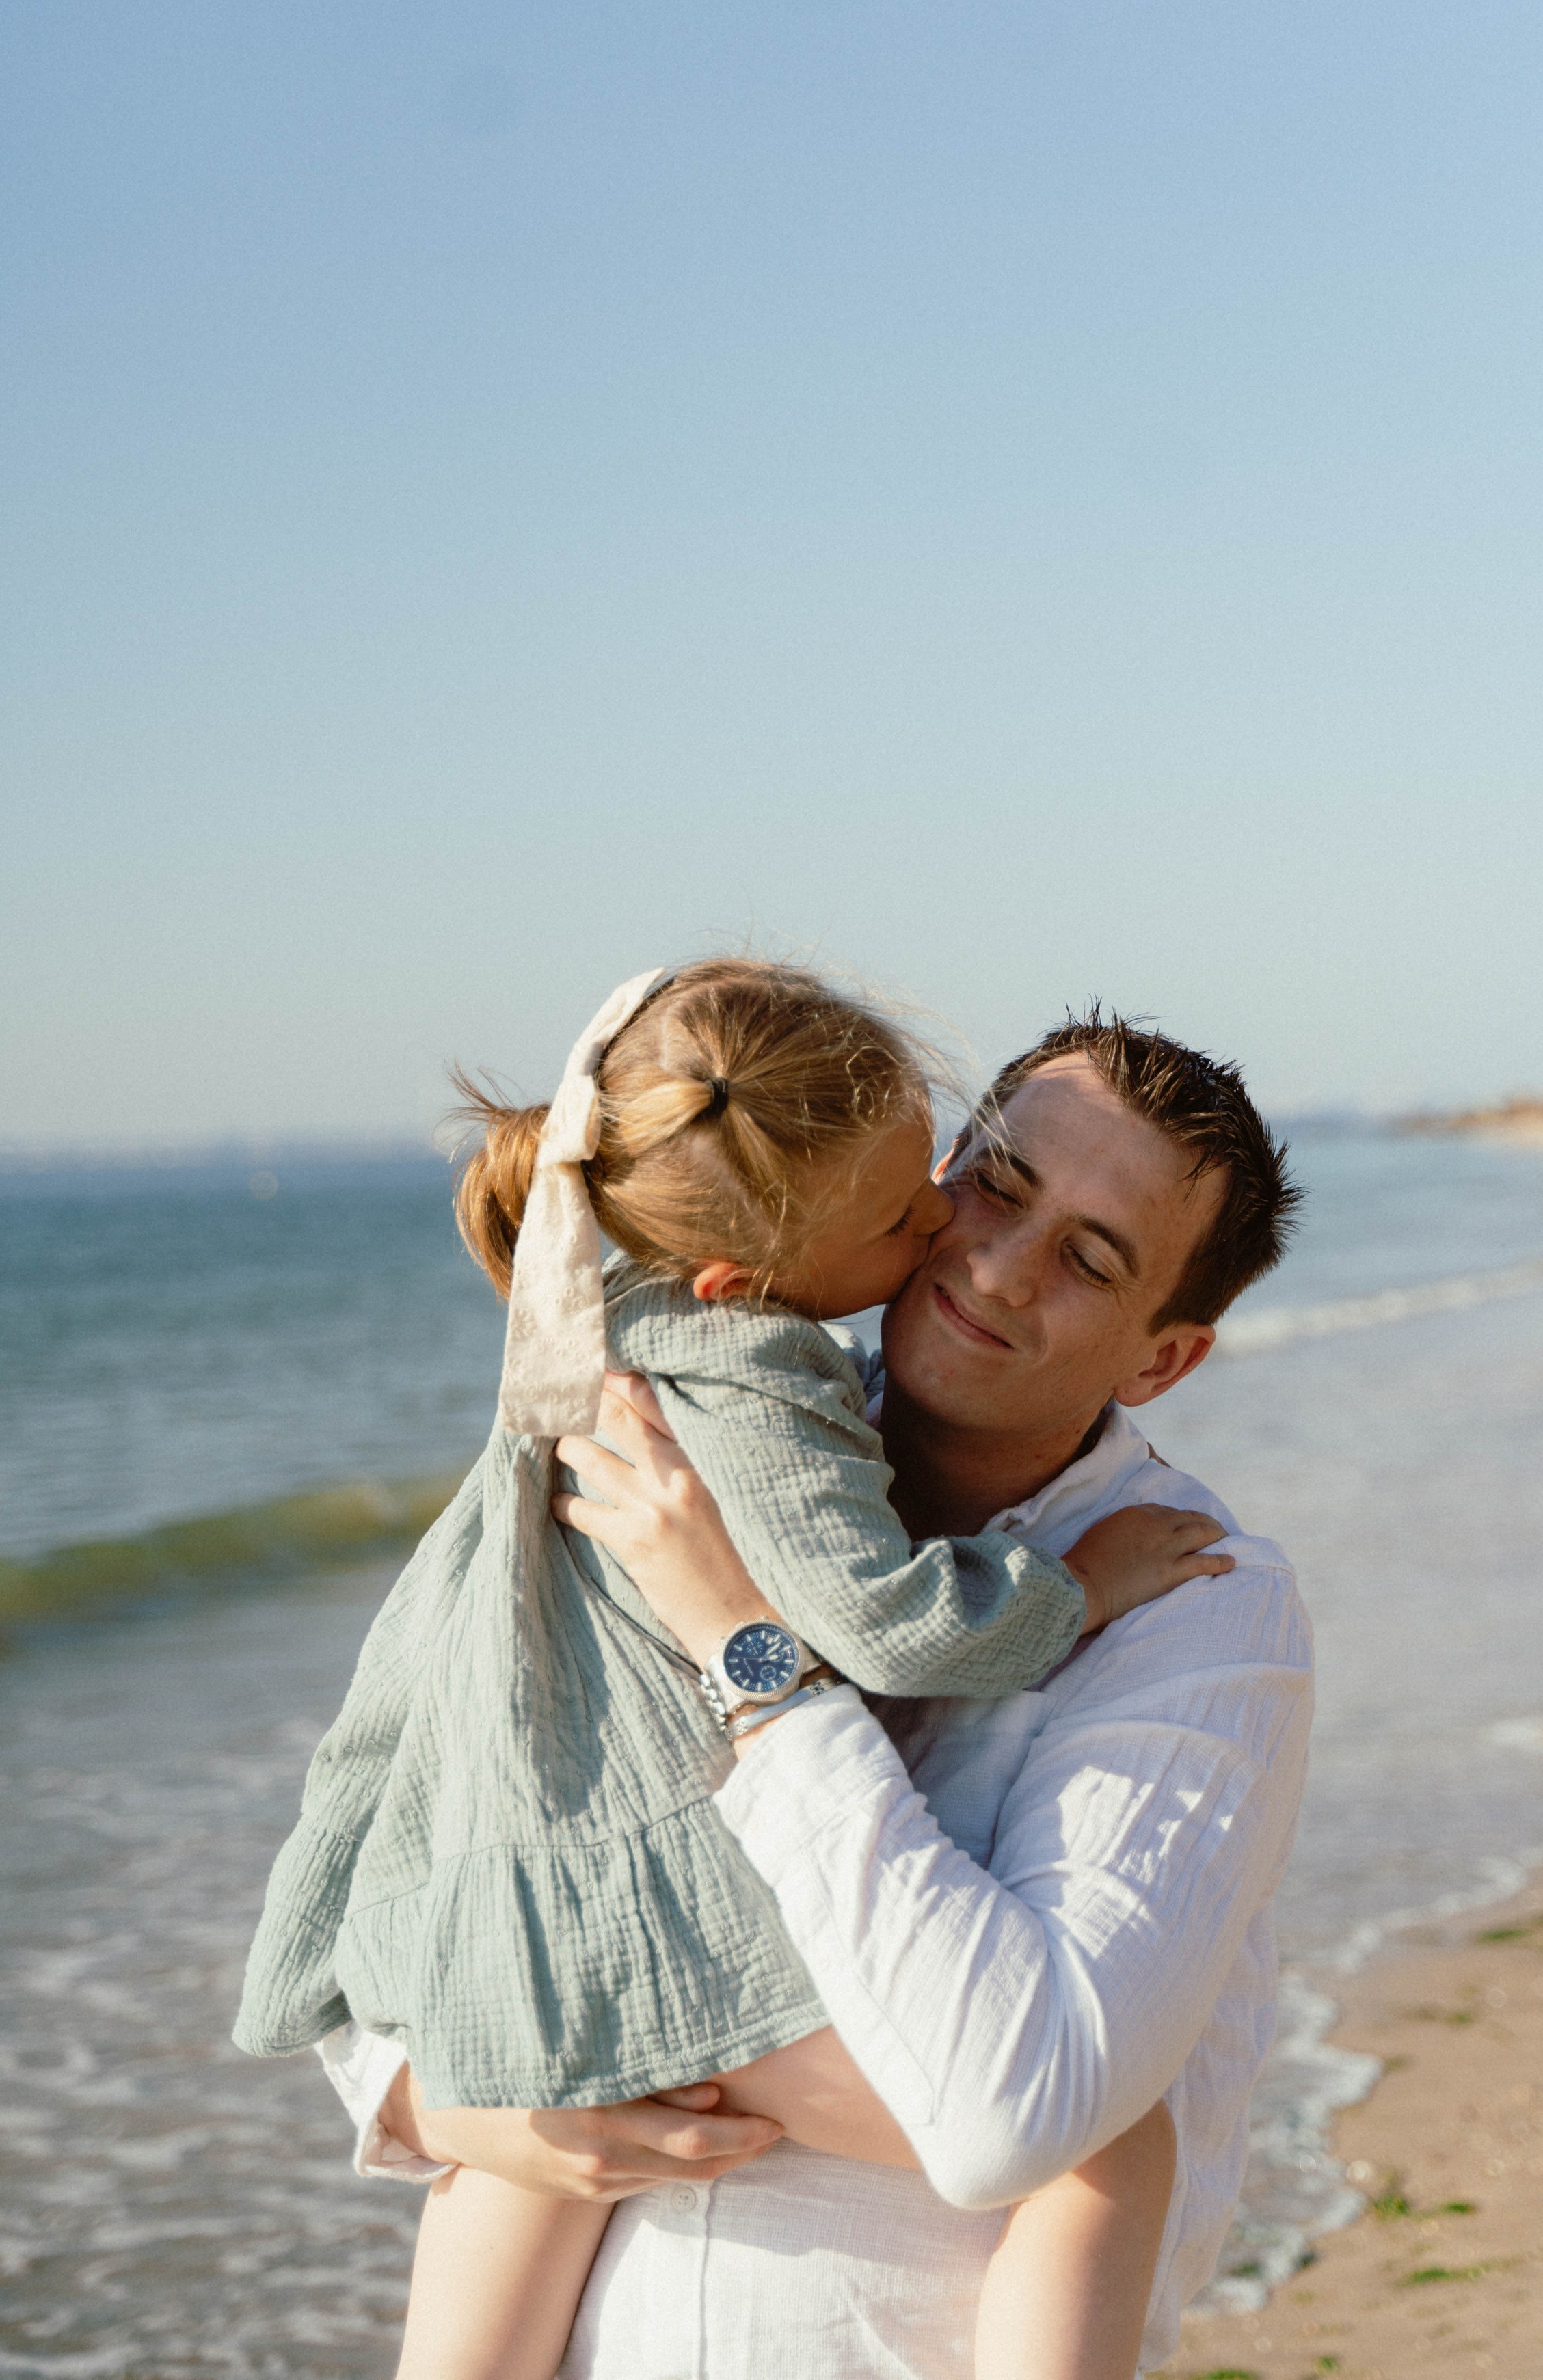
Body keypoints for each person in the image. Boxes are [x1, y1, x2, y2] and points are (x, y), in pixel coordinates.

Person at [236, 962, 1236, 2380]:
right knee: (1103, 2152)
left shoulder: (584, 1346)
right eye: (933, 1199)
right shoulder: (755, 1389)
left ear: (1167, 1355)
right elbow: (894, 1622)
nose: (958, 1236)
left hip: (518, 1890)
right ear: (740, 1276)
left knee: (522, 2172)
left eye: (1088, 1255)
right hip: (654, 1898)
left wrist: (435, 2058)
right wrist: (1075, 1589)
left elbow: (416, 1691)